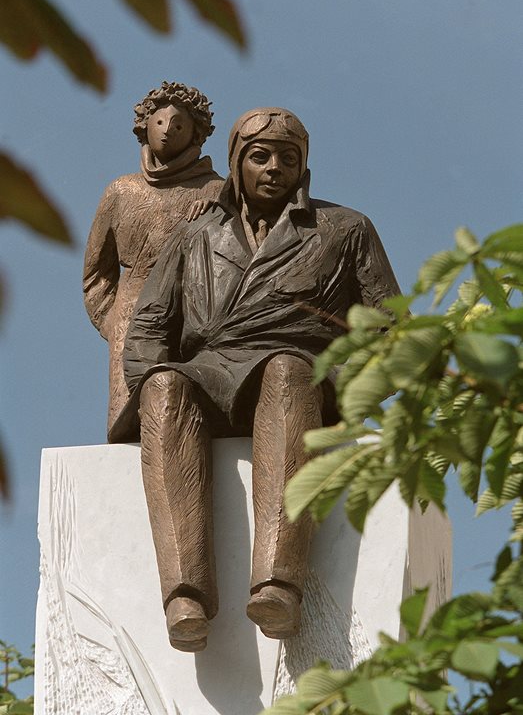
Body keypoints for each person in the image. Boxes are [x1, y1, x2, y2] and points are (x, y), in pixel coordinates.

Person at [110, 107, 400, 651]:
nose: (274, 168)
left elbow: (391, 330)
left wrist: (344, 384)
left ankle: (278, 584)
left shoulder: (346, 228)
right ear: (236, 163)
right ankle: (184, 595)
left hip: (300, 372)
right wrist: (150, 381)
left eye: (288, 159)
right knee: (165, 386)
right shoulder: (195, 234)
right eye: (260, 156)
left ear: (304, 169)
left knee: (287, 369)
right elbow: (149, 325)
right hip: (209, 370)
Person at [83, 81, 223, 435]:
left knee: (186, 415)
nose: (167, 131)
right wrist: (113, 321)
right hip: (133, 305)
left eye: (179, 125)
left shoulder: (219, 190)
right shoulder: (121, 190)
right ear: (145, 125)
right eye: (160, 122)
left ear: (196, 134)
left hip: (195, 308)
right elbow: (97, 273)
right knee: (132, 420)